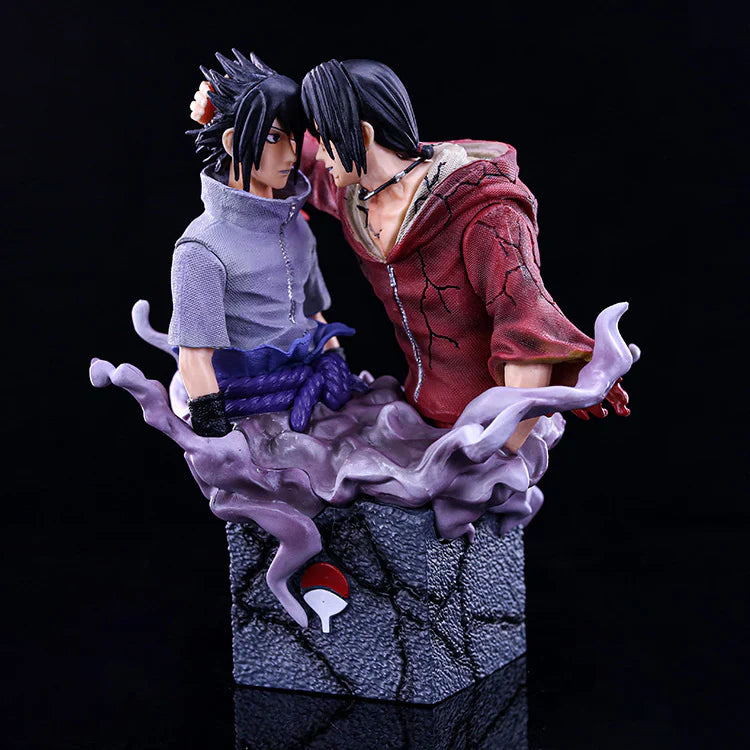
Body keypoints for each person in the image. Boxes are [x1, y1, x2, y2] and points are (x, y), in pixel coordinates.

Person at [190, 58, 628, 451]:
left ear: (362, 135)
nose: (318, 154)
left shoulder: (485, 214)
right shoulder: (356, 193)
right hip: (415, 415)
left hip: (481, 428)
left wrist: (502, 447)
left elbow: (526, 333)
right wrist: (227, 105)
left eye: (326, 139)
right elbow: (282, 154)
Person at [173, 50, 364, 437]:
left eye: (295, 138)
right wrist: (214, 428)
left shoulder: (298, 229)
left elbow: (312, 313)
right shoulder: (201, 249)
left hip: (310, 387)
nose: (292, 155)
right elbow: (194, 357)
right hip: (248, 404)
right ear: (232, 142)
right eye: (274, 138)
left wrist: (335, 362)